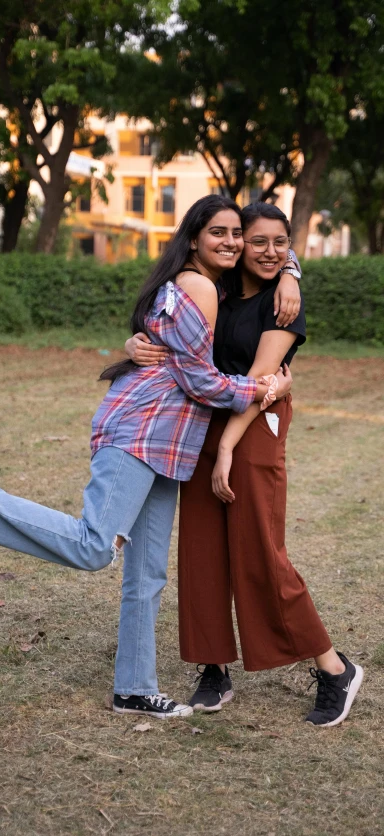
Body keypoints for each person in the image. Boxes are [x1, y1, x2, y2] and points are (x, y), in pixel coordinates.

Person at [0, 195, 293, 720]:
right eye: (219, 233)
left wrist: (291, 270)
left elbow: (265, 267)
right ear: (193, 238)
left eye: (237, 233)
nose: (231, 242)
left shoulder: (207, 282)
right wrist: (262, 389)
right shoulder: (199, 285)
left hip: (170, 444)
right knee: (96, 546)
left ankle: (134, 688)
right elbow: (199, 379)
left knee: (148, 572)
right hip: (141, 430)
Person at [125, 202, 363, 727]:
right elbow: (171, 327)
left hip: (254, 423)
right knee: (202, 549)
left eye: (281, 244)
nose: (269, 252)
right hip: (200, 421)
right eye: (257, 242)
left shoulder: (284, 304)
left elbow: (260, 380)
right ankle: (213, 667)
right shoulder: (220, 286)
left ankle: (334, 667)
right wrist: (134, 342)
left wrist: (229, 446)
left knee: (259, 550)